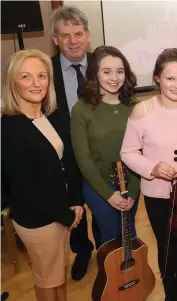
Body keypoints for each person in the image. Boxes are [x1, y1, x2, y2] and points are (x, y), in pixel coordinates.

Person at [120, 48, 177, 301]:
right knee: (168, 244)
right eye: (170, 78)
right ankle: (173, 294)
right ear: (157, 78)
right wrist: (152, 168)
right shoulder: (142, 111)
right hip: (158, 195)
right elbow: (128, 152)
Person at [1, 49, 84, 301]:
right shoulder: (9, 127)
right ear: (13, 82)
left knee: (58, 275)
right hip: (38, 219)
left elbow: (68, 162)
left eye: (42, 76)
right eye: (26, 76)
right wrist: (67, 215)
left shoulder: (52, 115)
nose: (36, 83)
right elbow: (24, 189)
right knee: (48, 278)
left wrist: (76, 201)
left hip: (60, 212)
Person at [70, 46, 140, 246]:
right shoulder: (81, 109)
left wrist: (133, 193)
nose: (114, 78)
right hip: (99, 186)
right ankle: (111, 277)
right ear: (95, 74)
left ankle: (131, 277)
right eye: (106, 72)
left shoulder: (135, 106)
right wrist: (109, 195)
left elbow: (141, 153)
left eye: (120, 71)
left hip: (132, 184)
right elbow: (84, 160)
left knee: (131, 237)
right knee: (111, 240)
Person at [50, 5, 99, 281]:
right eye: (65, 35)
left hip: (101, 152)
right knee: (74, 205)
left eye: (78, 33)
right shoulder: (45, 70)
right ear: (56, 40)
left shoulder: (103, 64)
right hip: (64, 153)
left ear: (87, 35)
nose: (73, 41)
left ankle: (106, 248)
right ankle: (82, 250)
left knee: (105, 203)